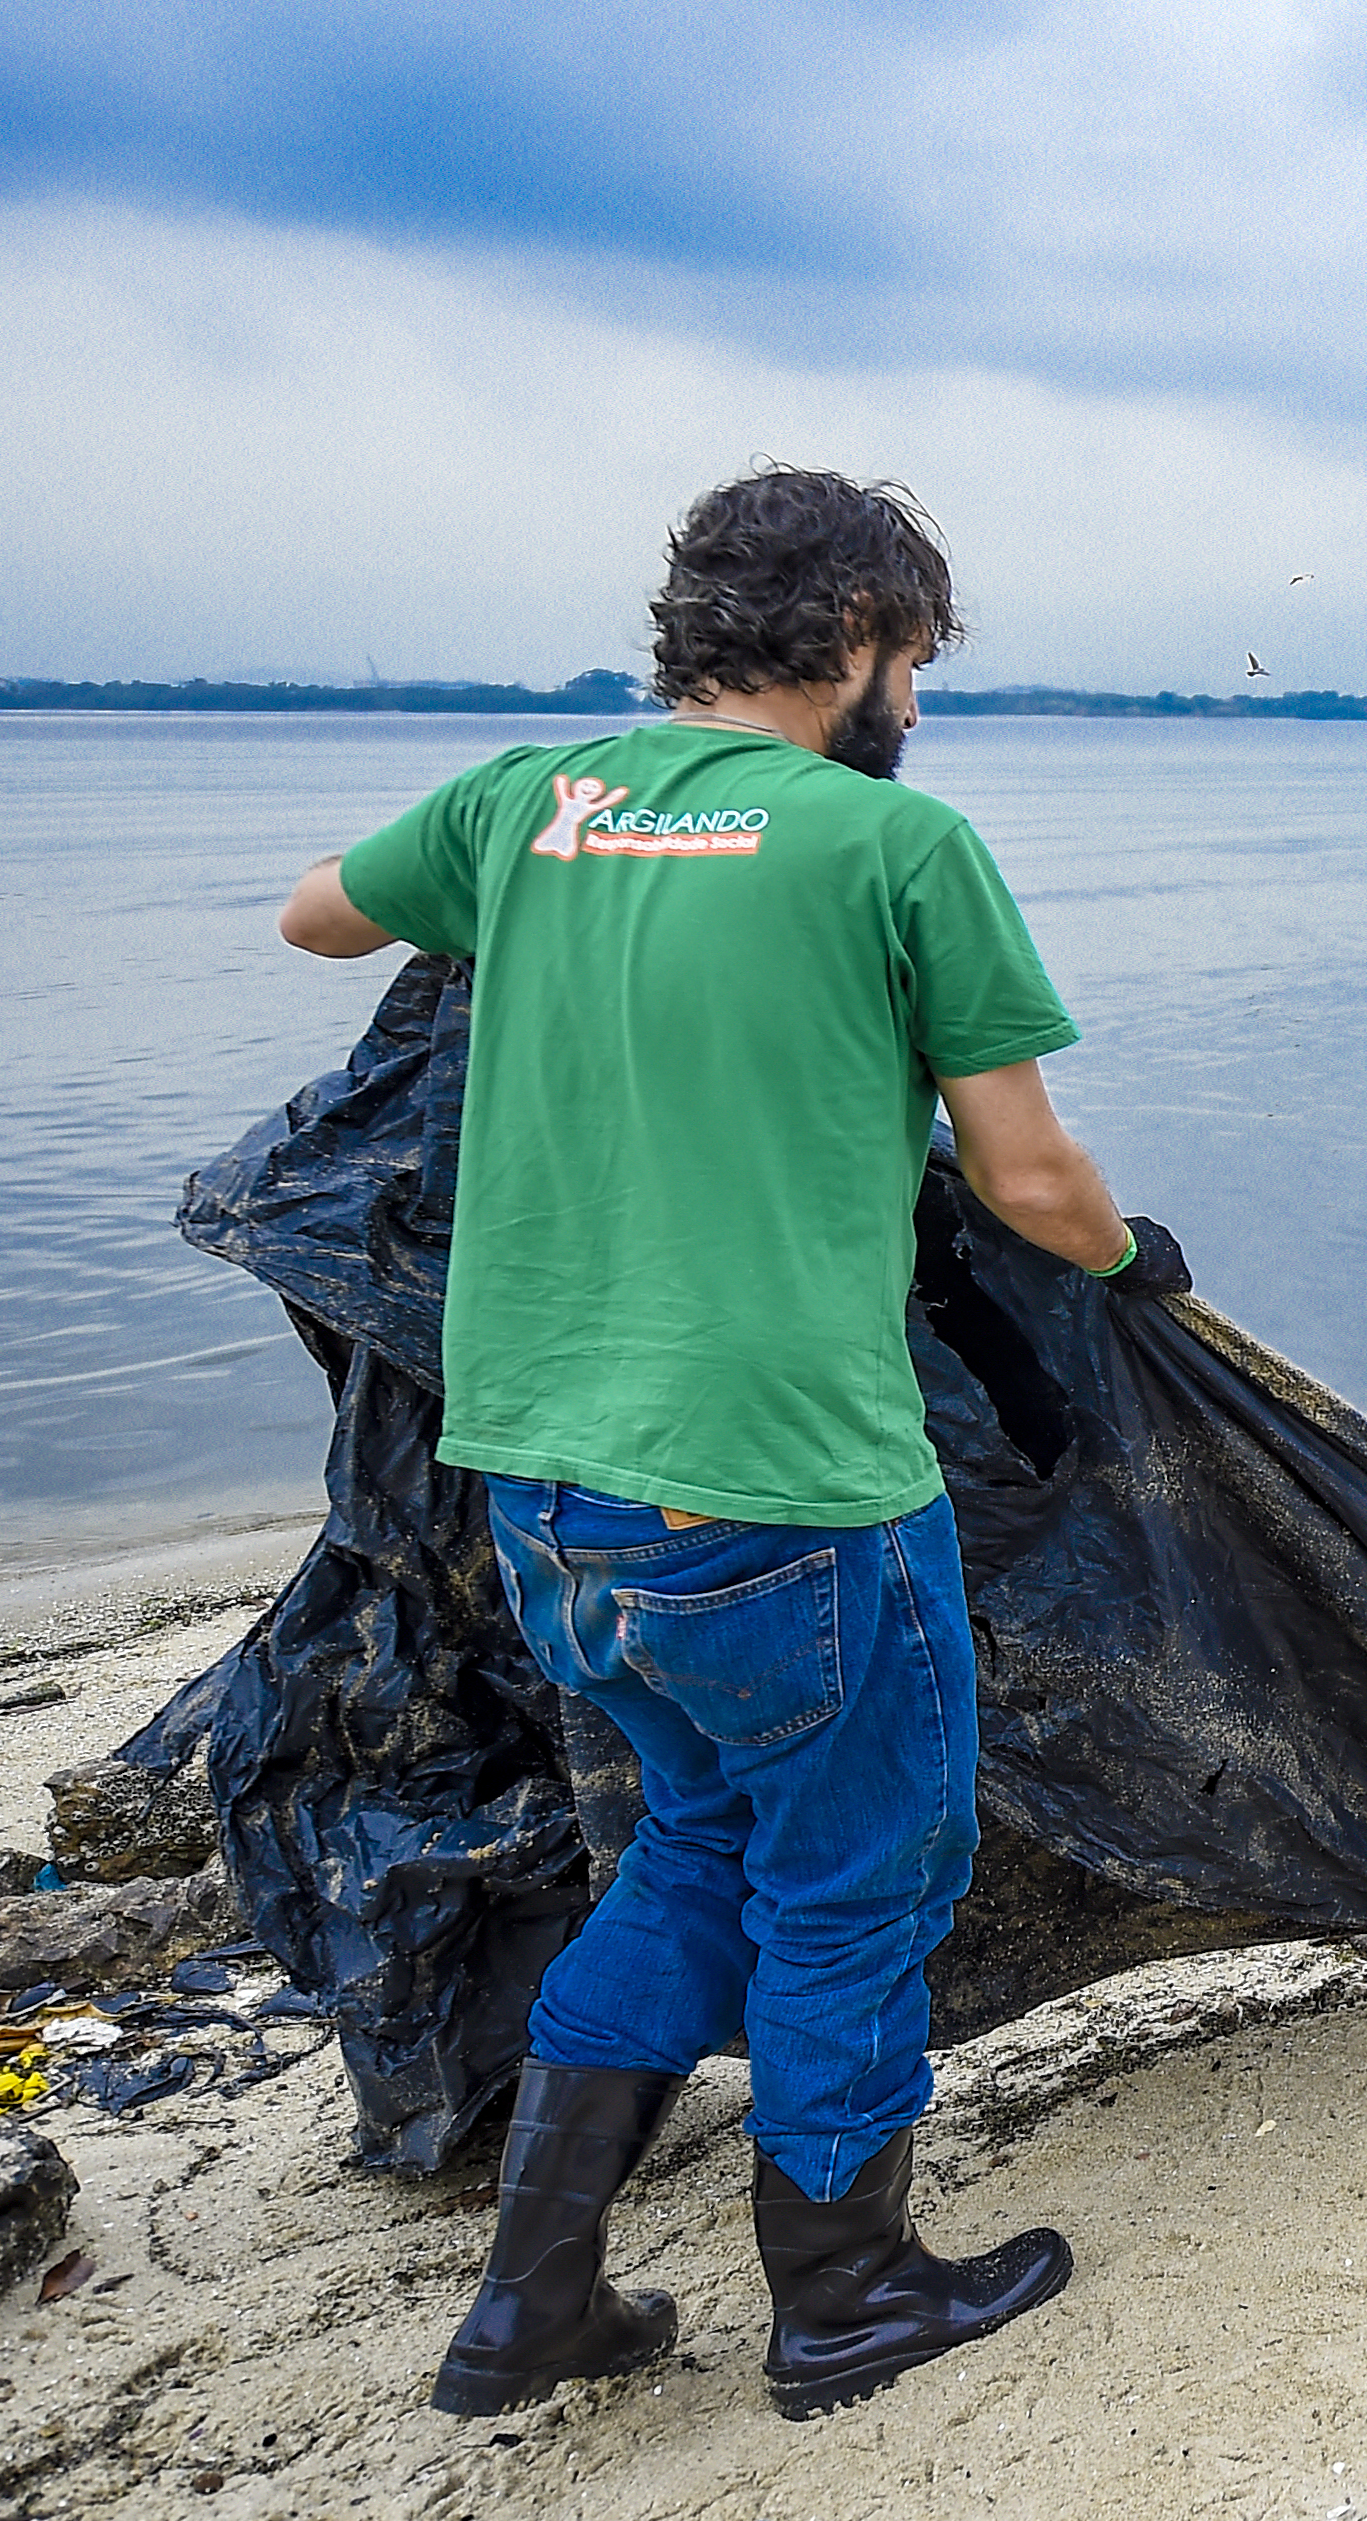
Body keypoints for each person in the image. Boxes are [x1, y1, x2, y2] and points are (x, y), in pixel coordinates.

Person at [276, 467, 1173, 2421]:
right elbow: (1025, 1173)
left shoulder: (521, 802)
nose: (916, 701)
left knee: (687, 1837)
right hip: (786, 1479)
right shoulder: (891, 845)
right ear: (849, 629)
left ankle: (529, 2307)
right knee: (856, 1880)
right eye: (914, 658)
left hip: (554, 1493)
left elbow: (316, 917)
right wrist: (1133, 1263)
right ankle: (846, 2292)